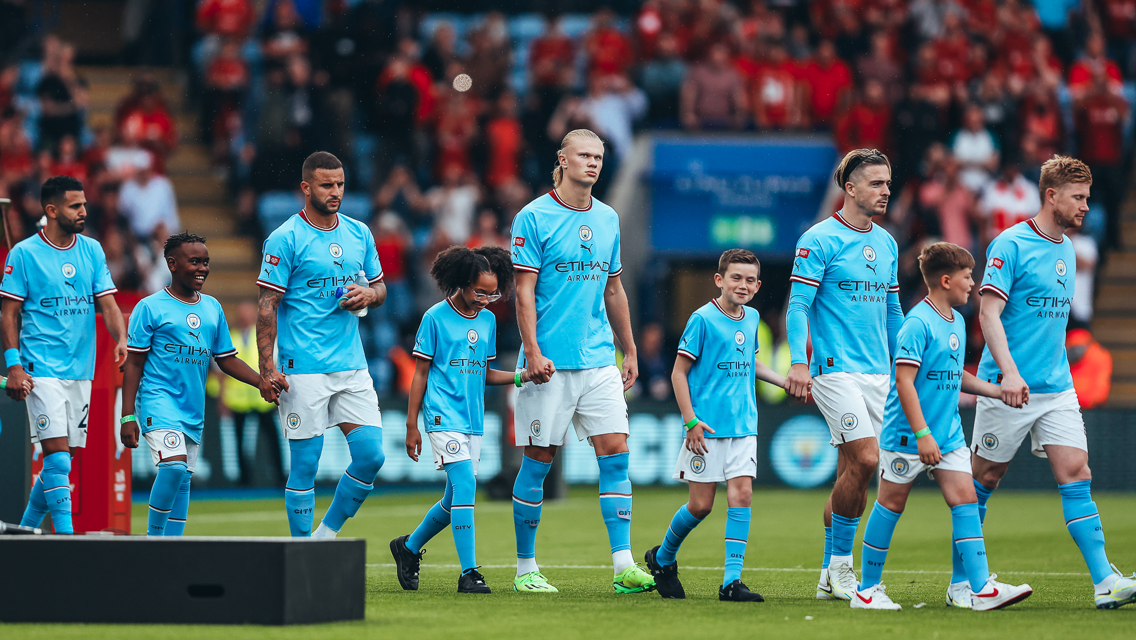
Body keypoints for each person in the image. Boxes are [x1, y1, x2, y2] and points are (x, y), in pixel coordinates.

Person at [972, 155, 1136, 609]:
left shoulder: (1067, 246)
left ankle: (1106, 580)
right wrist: (1008, 372)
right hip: (1007, 386)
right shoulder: (1011, 244)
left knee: (1077, 474)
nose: (1086, 207)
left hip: (1057, 387)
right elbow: (988, 313)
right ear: (1051, 195)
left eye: (1087, 197)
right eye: (1078, 197)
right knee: (983, 479)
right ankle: (966, 580)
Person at [508, 129, 654, 594]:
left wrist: (628, 348)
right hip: (548, 361)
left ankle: (623, 565)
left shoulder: (609, 218)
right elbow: (524, 290)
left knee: (616, 453)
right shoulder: (533, 216)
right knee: (539, 460)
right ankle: (525, 567)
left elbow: (613, 289)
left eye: (599, 157)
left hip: (597, 360)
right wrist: (532, 350)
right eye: (584, 156)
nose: (592, 164)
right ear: (563, 159)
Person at [851, 242, 1033, 611]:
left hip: (948, 436)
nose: (974, 284)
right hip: (908, 435)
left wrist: (997, 392)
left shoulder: (956, 320)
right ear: (946, 280)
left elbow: (955, 376)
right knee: (891, 503)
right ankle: (867, 590)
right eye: (968, 277)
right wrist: (922, 435)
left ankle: (980, 588)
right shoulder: (916, 323)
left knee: (966, 499)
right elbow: (903, 382)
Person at [786, 149, 903, 601]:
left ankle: (825, 576)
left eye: (888, 183)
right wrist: (800, 361)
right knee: (869, 460)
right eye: (876, 183)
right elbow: (798, 305)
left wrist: (902, 366)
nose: (886, 191)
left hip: (879, 375)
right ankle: (841, 570)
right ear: (850, 188)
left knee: (852, 474)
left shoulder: (888, 243)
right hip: (835, 372)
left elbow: (892, 310)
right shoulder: (819, 239)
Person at [645, 249, 791, 602]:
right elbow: (678, 373)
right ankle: (662, 558)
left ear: (757, 286)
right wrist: (690, 421)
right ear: (719, 280)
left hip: (744, 425)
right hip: (707, 428)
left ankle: (731, 582)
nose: (743, 285)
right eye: (736, 278)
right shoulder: (702, 319)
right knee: (701, 506)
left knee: (741, 496)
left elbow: (749, 362)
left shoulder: (753, 317)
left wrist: (784, 382)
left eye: (750, 280)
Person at [256, 151, 387, 539]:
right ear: (306, 187)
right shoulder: (285, 238)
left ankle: (323, 537)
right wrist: (267, 369)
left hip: (351, 365)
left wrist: (368, 294)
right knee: (305, 466)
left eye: (341, 184)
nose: (336, 192)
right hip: (303, 368)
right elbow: (267, 306)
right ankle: (302, 552)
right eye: (327, 185)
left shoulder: (359, 232)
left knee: (371, 457)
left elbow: (380, 288)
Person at [390, 246, 527, 594]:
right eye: (480, 292)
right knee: (466, 486)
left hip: (473, 419)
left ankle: (407, 548)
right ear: (462, 283)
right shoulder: (435, 318)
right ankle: (469, 573)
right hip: (441, 415)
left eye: (493, 292)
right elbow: (420, 374)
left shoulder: (488, 320)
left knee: (455, 499)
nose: (486, 299)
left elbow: (483, 372)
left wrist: (520, 376)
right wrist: (411, 424)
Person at [120, 233, 270, 535]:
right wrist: (127, 416)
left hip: (192, 408)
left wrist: (261, 381)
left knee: (184, 478)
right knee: (173, 467)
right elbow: (133, 363)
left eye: (206, 262)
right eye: (195, 261)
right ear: (172, 264)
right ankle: (154, 539)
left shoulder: (212, 308)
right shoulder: (149, 307)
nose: (202, 268)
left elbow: (226, 359)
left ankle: (173, 548)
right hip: (157, 400)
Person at [2, 175, 127, 535]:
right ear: (52, 210)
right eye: (76, 206)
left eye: (84, 204)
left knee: (62, 464)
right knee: (57, 460)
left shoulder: (92, 250)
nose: (84, 211)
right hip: (40, 367)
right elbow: (9, 314)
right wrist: (13, 365)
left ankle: (22, 535)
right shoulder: (24, 254)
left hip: (80, 369)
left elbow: (108, 302)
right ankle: (66, 542)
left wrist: (121, 338)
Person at [219, 300, 283, 486]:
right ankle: (244, 479)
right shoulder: (232, 337)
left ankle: (279, 476)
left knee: (272, 440)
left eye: (247, 312)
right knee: (240, 443)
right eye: (241, 312)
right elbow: (220, 372)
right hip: (239, 400)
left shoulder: (265, 336)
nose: (244, 316)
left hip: (263, 398)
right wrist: (222, 398)